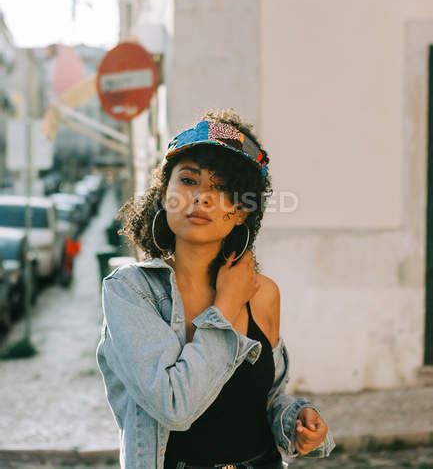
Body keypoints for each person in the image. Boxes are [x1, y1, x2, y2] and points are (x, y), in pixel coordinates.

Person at [96, 109, 335, 469]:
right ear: (164, 194)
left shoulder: (263, 294)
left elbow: (267, 398)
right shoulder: (131, 292)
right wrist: (225, 307)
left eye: (223, 187)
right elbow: (174, 406)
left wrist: (296, 421)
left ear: (241, 212)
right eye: (189, 181)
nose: (203, 197)